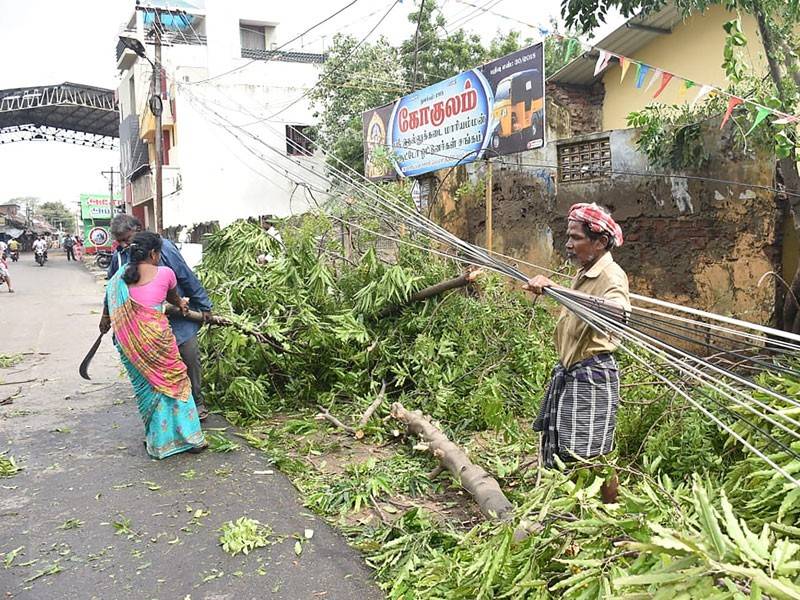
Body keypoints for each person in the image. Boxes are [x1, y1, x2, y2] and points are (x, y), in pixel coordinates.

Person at [524, 202, 630, 503]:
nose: (568, 245)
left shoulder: (611, 275)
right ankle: (576, 506)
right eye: (568, 236)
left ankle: (609, 511)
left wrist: (557, 289)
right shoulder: (585, 272)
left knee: (591, 452)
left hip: (592, 374)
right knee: (569, 447)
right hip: (573, 372)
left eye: (576, 238)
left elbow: (620, 313)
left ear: (600, 242)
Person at [103, 231, 207, 458]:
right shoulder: (165, 273)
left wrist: (104, 323)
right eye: (159, 253)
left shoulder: (118, 278)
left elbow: (107, 307)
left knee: (149, 389)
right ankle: (192, 439)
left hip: (131, 344)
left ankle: (159, 442)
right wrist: (182, 304)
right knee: (177, 382)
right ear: (153, 253)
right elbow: (173, 296)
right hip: (157, 340)